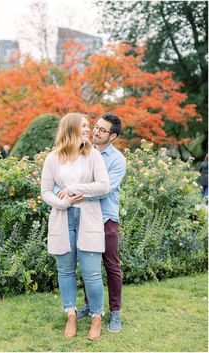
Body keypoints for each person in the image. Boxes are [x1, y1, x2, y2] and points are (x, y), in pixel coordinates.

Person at [41, 112, 110, 340]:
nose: (88, 130)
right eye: (83, 126)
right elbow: (45, 192)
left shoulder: (93, 155)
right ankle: (71, 313)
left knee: (91, 273)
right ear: (70, 129)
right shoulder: (53, 158)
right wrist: (64, 201)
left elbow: (103, 186)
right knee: (66, 270)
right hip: (62, 218)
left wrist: (73, 189)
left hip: (87, 218)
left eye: (87, 126)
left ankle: (96, 317)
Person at [56, 113, 126, 333]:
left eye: (102, 130)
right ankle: (89, 305)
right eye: (96, 127)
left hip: (106, 219)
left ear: (112, 136)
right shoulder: (83, 152)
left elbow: (104, 190)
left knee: (111, 266)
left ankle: (115, 311)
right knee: (88, 264)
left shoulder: (117, 160)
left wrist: (74, 191)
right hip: (84, 217)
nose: (96, 131)